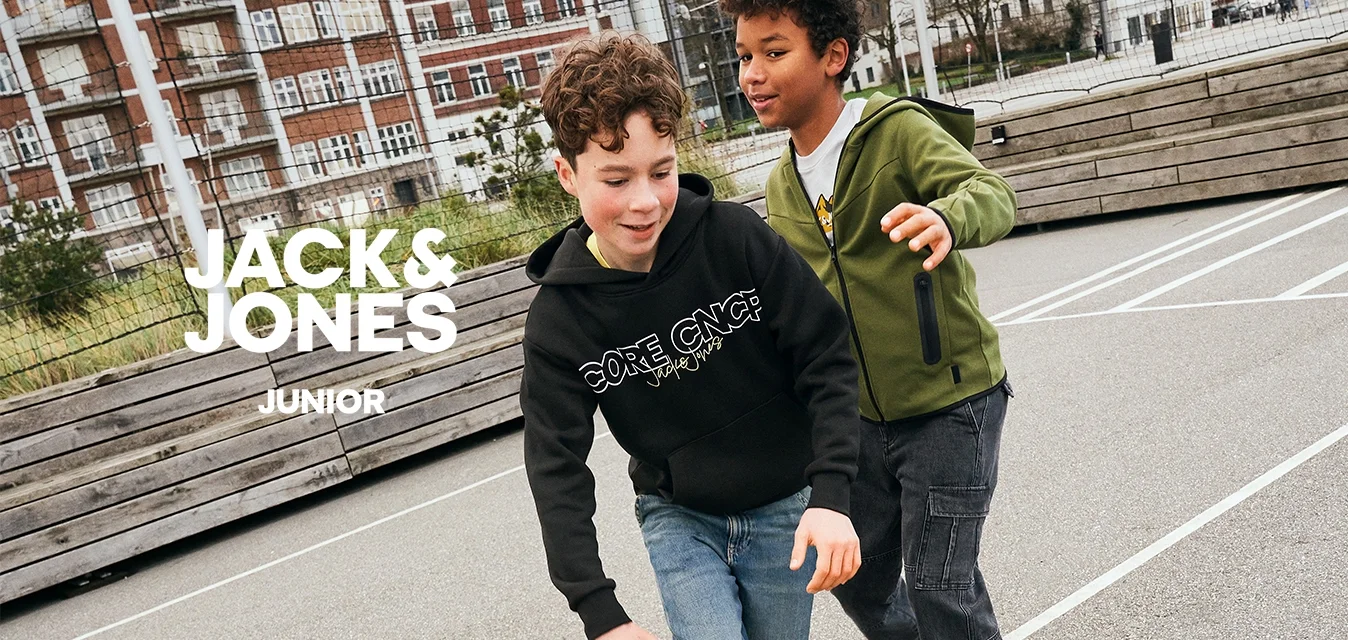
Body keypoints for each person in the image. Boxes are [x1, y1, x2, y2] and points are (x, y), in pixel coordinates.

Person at [522, 32, 864, 640]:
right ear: (568, 175)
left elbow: (826, 354)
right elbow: (556, 467)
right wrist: (601, 617)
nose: (645, 201)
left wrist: (833, 494)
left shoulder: (734, 238)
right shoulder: (560, 319)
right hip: (679, 516)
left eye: (662, 171)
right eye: (616, 179)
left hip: (787, 501)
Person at [724, 0, 1018, 638]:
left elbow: (992, 196)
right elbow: (794, 310)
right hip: (856, 420)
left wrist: (946, 217)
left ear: (833, 57)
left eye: (774, 53)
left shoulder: (896, 132)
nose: (752, 73)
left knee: (941, 584)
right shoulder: (780, 186)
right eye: (744, 56)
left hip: (950, 399)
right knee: (856, 577)